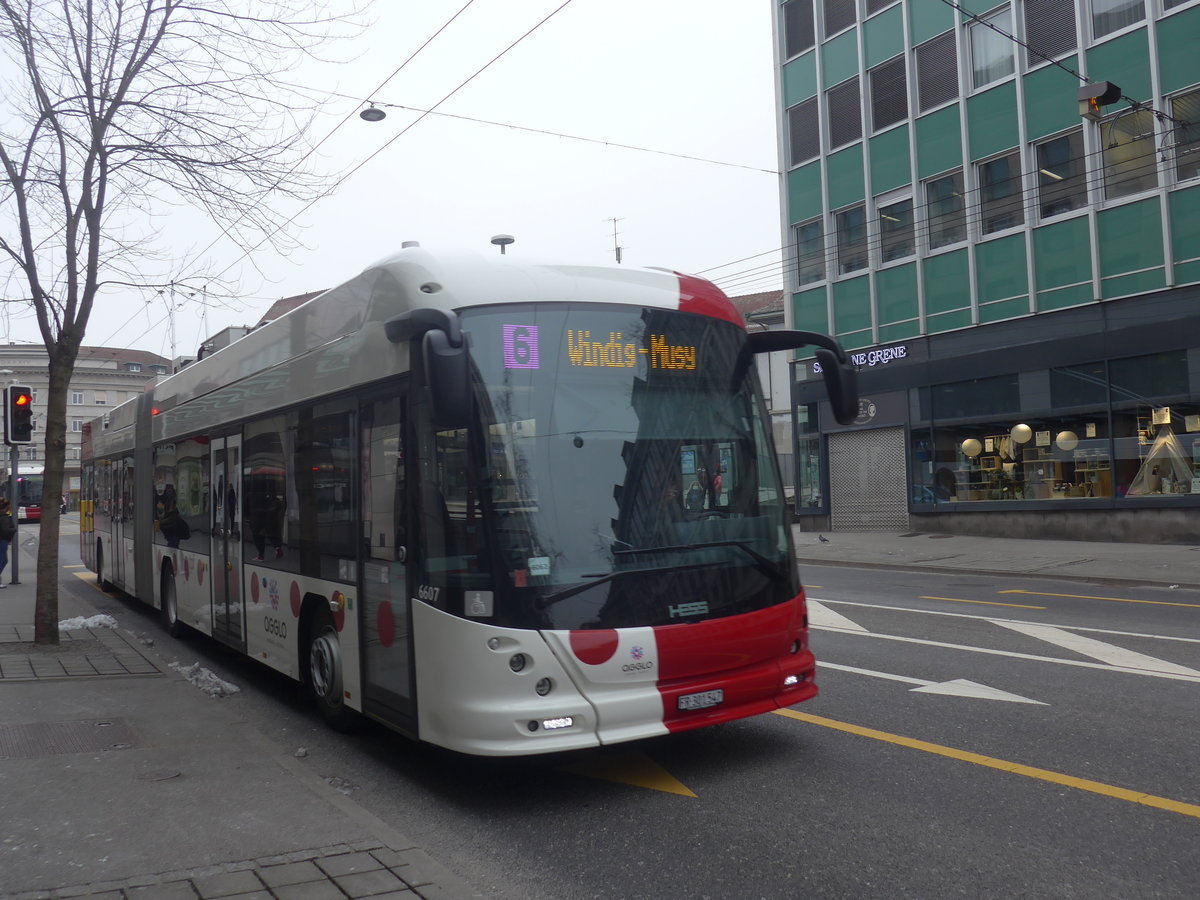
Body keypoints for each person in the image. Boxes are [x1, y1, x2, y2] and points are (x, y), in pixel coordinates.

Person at [0, 499, 15, 588]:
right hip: (2, 541)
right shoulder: (4, 518)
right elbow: (6, 531)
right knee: (3, 560)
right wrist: (14, 529)